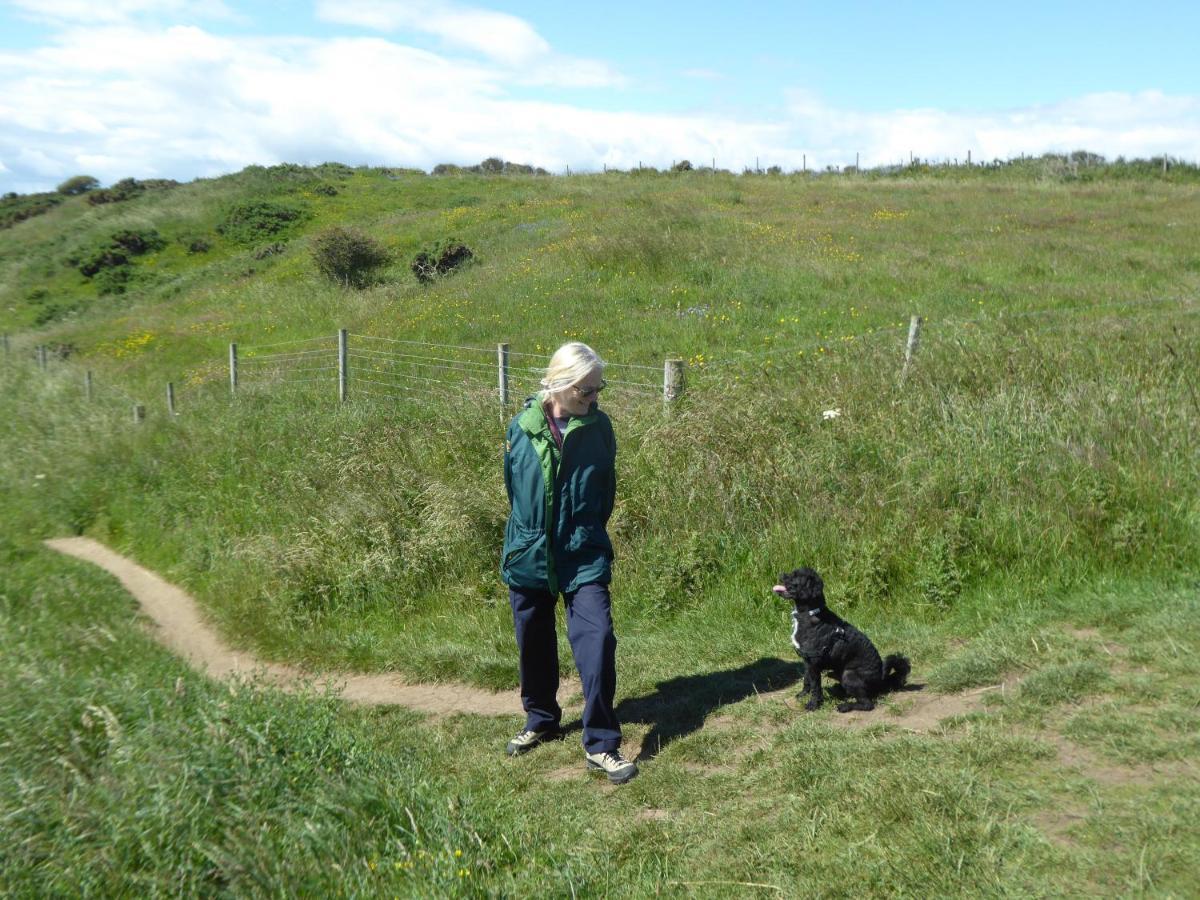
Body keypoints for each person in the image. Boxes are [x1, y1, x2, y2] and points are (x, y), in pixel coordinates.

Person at [500, 341, 637, 785]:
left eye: (598, 390)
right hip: (530, 551)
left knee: (598, 639)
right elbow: (515, 488)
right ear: (559, 386)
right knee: (533, 641)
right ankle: (540, 719)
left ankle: (601, 744)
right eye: (586, 391)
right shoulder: (522, 426)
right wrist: (530, 535)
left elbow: (606, 492)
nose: (594, 398)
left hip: (584, 551)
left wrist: (587, 531)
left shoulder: (601, 429)